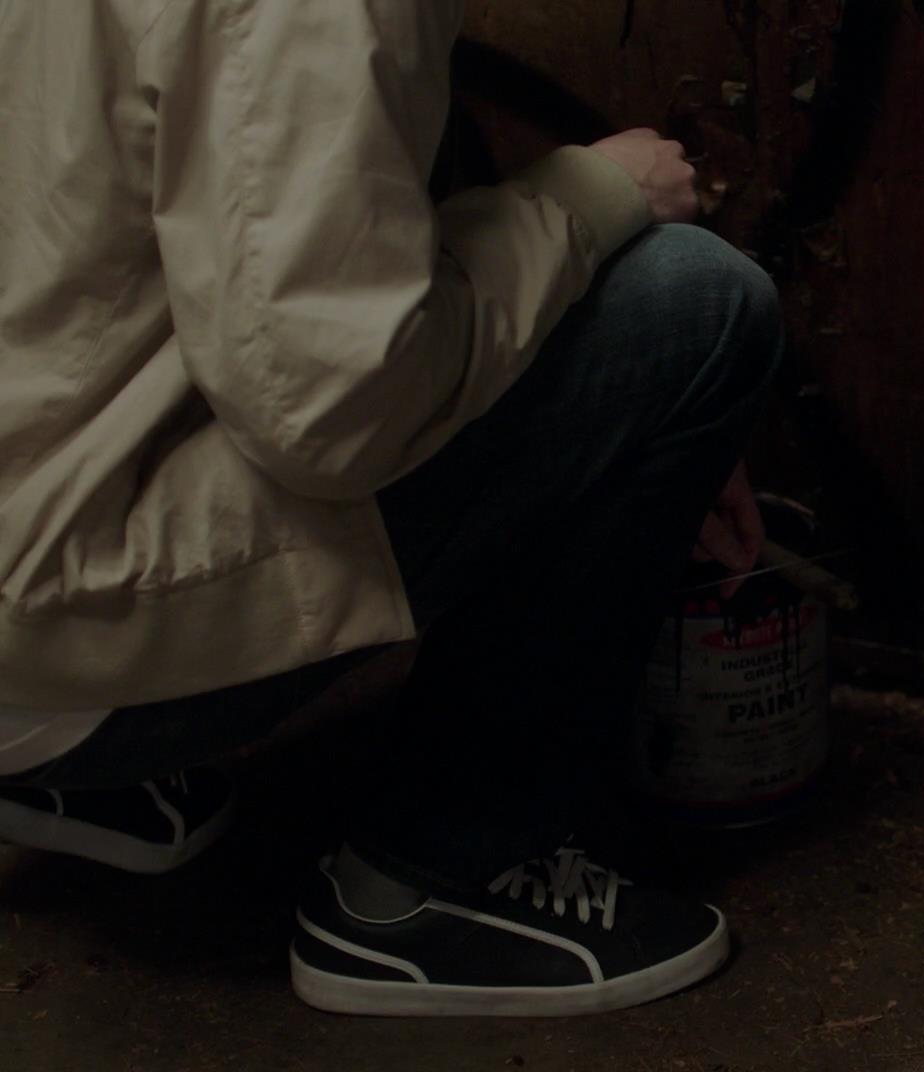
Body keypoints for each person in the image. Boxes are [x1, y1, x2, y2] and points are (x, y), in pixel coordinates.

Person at [0, 4, 781, 1017]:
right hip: (54, 619)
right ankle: (437, 877)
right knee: (693, 302)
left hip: (31, 538)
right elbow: (333, 413)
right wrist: (596, 202)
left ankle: (58, 771)